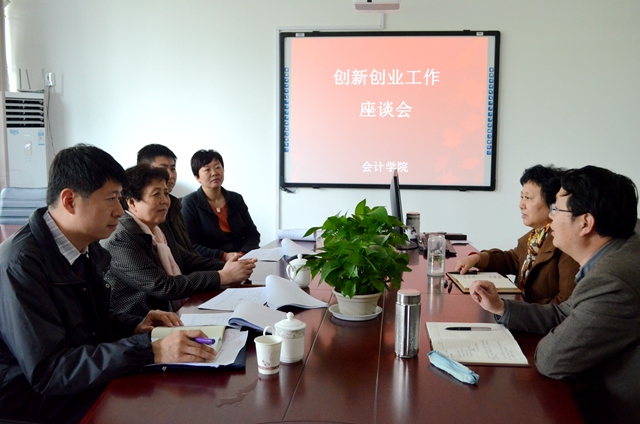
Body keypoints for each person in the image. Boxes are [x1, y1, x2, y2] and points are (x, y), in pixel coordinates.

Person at [0, 144, 216, 424]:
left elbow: (90, 326)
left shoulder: (85, 246)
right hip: (34, 402)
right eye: (111, 199)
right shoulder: (21, 264)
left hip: (79, 382)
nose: (119, 211)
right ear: (69, 201)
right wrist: (149, 348)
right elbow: (50, 371)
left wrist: (134, 326)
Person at [469, 166, 640, 423]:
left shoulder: (611, 281)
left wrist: (552, 338)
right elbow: (566, 313)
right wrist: (502, 307)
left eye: (557, 209)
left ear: (585, 223)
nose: (551, 217)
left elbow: (553, 359)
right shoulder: (616, 253)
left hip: (611, 409)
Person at [103, 164, 257, 317]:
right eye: (156, 194)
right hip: (140, 321)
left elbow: (187, 260)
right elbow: (164, 286)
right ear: (131, 203)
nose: (165, 200)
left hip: (170, 312)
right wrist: (222, 276)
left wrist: (233, 266)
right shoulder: (122, 238)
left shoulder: (158, 226)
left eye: (166, 193)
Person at [454, 165, 579, 304]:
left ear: (553, 204)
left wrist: (516, 309)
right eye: (521, 197)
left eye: (528, 198)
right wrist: (477, 258)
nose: (521, 204)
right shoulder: (535, 237)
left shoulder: (566, 244)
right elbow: (512, 259)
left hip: (537, 316)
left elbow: (566, 304)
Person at [182, 149, 260, 260]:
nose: (214, 173)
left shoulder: (236, 199)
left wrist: (242, 253)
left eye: (218, 167)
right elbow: (190, 244)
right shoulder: (190, 203)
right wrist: (224, 256)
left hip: (242, 257)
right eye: (207, 169)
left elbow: (252, 234)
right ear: (197, 177)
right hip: (210, 262)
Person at [137, 143, 197, 254]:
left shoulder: (174, 205)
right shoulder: (143, 215)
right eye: (162, 169)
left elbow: (187, 253)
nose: (170, 175)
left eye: (173, 169)